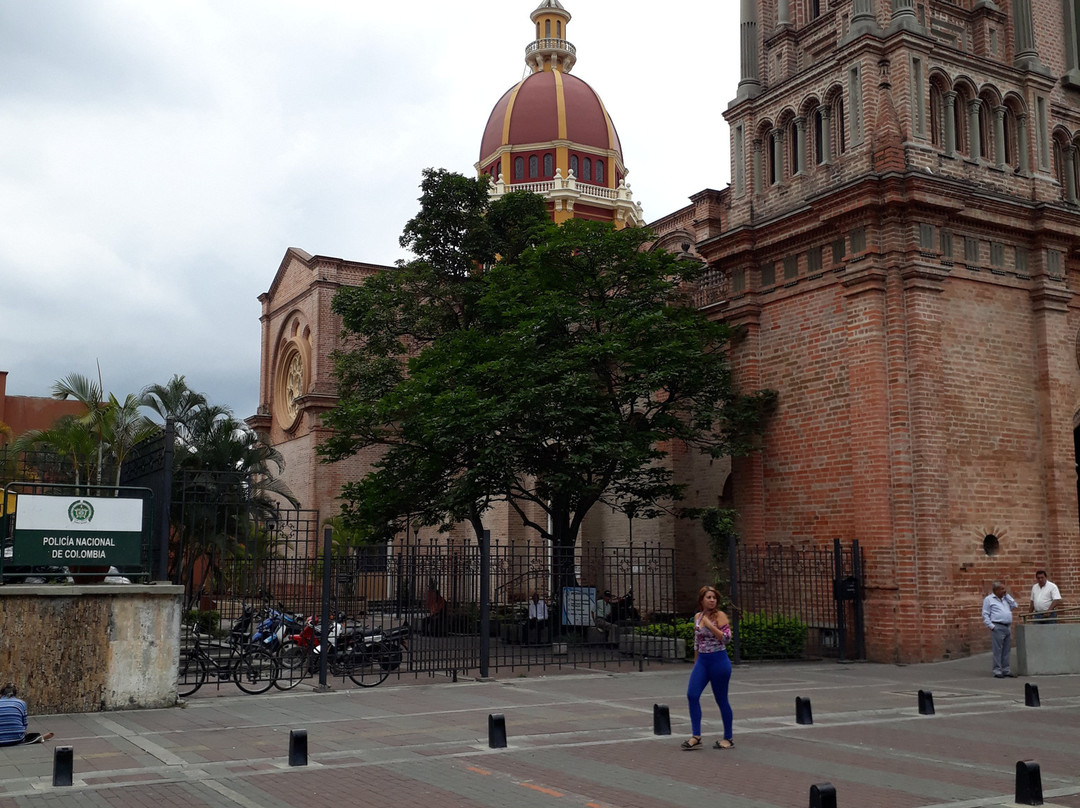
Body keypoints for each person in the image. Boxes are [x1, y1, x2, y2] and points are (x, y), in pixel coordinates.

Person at [682, 585, 734, 751]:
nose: (712, 600)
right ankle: (696, 736)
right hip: (702, 662)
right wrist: (696, 662)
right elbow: (697, 641)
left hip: (719, 662)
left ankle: (728, 738)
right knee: (692, 695)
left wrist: (710, 625)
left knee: (721, 699)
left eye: (714, 598)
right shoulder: (698, 616)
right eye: (708, 597)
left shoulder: (720, 616)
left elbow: (727, 639)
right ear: (702, 600)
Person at [982, 581, 1018, 678]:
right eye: (1002, 589)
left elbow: (1014, 605)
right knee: (997, 650)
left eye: (1004, 589)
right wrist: (991, 626)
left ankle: (1006, 669)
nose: (1004, 591)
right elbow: (985, 614)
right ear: (996, 590)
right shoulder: (989, 599)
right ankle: (997, 670)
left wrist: (1007, 596)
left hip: (1007, 626)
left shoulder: (1005, 599)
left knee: (1006, 650)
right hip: (997, 626)